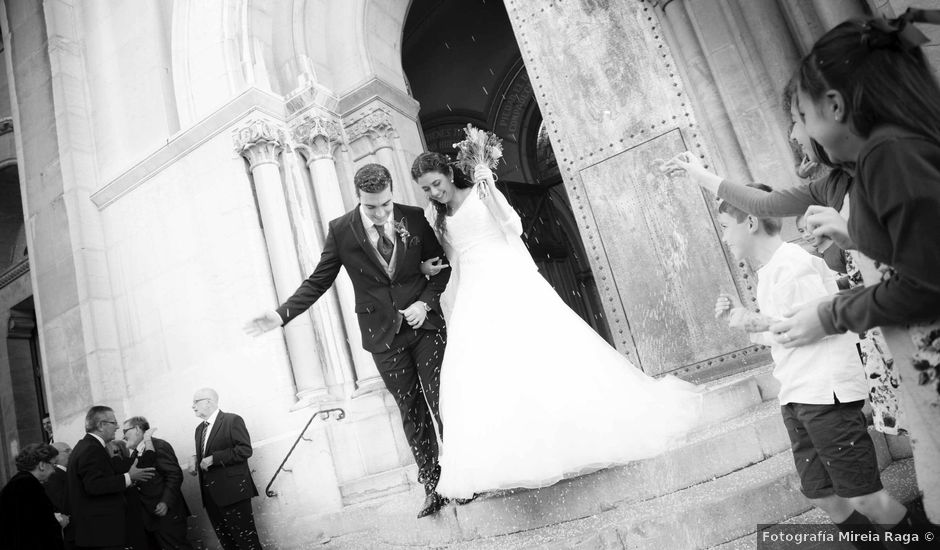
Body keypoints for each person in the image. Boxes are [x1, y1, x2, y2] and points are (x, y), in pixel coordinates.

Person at [410, 151, 702, 500]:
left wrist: (490, 189)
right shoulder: (437, 216)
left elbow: (514, 228)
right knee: (490, 367)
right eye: (426, 189)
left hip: (507, 275)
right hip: (474, 287)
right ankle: (514, 454)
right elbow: (452, 256)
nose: (434, 193)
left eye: (436, 184)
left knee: (543, 350)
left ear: (448, 173)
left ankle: (575, 437)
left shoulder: (480, 191)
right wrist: (432, 269)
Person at [764, 10, 940, 524]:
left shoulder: (890, 154)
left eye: (799, 115)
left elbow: (925, 283)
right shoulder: (895, 152)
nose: (798, 130)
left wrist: (831, 313)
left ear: (835, 106)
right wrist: (853, 234)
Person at [659, 76, 901, 436]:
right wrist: (700, 175)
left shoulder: (893, 167)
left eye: (796, 120)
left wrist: (849, 239)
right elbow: (765, 203)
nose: (792, 135)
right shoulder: (830, 184)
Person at [243, 163, 451, 518]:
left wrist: (424, 302)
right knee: (411, 410)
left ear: (390, 192)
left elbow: (440, 265)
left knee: (442, 400)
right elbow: (318, 280)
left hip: (425, 329)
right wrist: (280, 314)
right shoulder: (341, 231)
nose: (382, 213)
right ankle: (433, 486)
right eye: (372, 207)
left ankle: (458, 477)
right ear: (359, 198)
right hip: (383, 338)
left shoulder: (414, 218)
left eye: (386, 204)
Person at [712, 188, 908, 549]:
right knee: (822, 496)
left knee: (866, 498)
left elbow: (809, 328)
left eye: (725, 226)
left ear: (751, 222)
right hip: (798, 394)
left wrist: (751, 320)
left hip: (824, 394)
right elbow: (780, 334)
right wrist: (745, 322)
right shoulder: (772, 270)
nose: (723, 237)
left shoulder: (793, 264)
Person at [68, 405, 155, 550]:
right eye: (114, 423)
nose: (117, 427)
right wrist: (129, 477)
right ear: (101, 425)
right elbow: (93, 486)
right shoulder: (91, 448)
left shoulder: (90, 446)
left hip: (100, 531)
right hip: (101, 532)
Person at [188, 388, 262, 549]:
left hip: (233, 493)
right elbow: (207, 452)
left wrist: (215, 458)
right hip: (210, 497)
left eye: (196, 402)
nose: (192, 406)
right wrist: (196, 459)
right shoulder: (199, 430)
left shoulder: (232, 420)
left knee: (247, 542)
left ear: (209, 401)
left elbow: (244, 450)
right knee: (228, 543)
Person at [123, 417, 193, 550]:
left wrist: (165, 502)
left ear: (137, 429)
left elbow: (174, 475)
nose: (123, 436)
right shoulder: (134, 455)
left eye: (125, 431)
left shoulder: (159, 445)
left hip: (167, 515)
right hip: (150, 518)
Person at [0, 443, 64, 550]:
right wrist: (60, 522)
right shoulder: (29, 485)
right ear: (42, 465)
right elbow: (39, 528)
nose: (53, 470)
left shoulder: (18, 482)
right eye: (53, 465)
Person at [44, 442, 74, 549]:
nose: (72, 453)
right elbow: (61, 503)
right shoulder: (54, 476)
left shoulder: (67, 473)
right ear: (55, 456)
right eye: (67, 451)